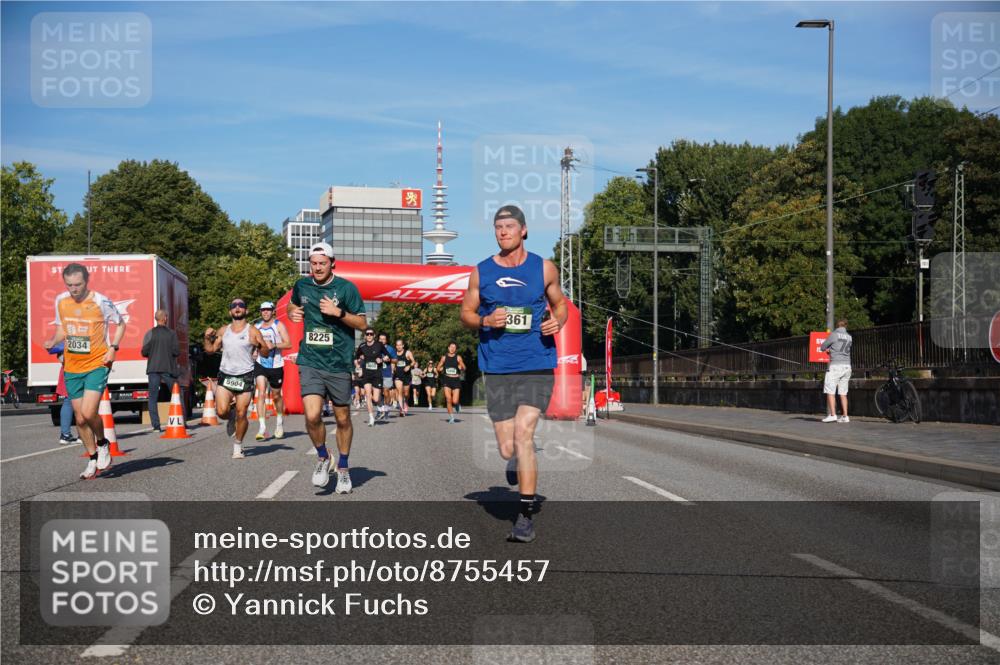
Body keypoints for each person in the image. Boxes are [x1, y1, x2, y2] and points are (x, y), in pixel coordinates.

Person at [460, 204, 567, 543]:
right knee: (508, 448)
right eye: (498, 227)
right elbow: (466, 313)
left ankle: (525, 515)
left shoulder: (543, 267)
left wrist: (558, 320)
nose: (503, 231)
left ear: (523, 230)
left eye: (509, 226)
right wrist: (484, 321)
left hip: (536, 362)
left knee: (523, 435)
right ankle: (516, 460)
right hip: (497, 366)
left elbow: (560, 303)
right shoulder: (482, 272)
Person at [288, 242, 367, 493]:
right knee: (312, 416)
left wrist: (338, 312)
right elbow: (292, 303)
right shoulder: (302, 285)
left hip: (338, 363)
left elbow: (363, 324)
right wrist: (293, 312)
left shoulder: (346, 289)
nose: (318, 267)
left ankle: (343, 468)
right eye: (314, 263)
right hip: (310, 360)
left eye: (323, 263)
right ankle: (323, 457)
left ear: (333, 263)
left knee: (342, 418)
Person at [43, 263, 126, 479]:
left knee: (89, 413)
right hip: (72, 366)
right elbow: (62, 328)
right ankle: (92, 459)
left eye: (78, 284)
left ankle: (103, 443)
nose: (74, 289)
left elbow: (121, 324)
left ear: (86, 281)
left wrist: (113, 348)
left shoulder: (100, 301)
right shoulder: (61, 301)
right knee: (79, 419)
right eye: (69, 285)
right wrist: (53, 340)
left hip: (97, 364)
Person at [203, 298, 266, 459]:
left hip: (245, 375)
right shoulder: (223, 330)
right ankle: (229, 416)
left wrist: (261, 345)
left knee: (242, 413)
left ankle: (238, 445)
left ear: (246, 311)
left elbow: (265, 352)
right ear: (230, 311)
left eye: (241, 306)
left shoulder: (252, 331)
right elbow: (210, 350)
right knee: (222, 411)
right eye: (234, 306)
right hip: (226, 375)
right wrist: (206, 337)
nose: (237, 308)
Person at [253, 301, 291, 440]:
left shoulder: (278, 325)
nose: (265, 312)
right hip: (260, 364)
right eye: (263, 310)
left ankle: (279, 422)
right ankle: (262, 428)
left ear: (273, 311)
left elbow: (288, 343)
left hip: (276, 365)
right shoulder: (256, 327)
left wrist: (273, 344)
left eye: (268, 310)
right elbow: (252, 343)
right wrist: (253, 352)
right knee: (261, 393)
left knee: (276, 396)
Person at [141, 309, 180, 432]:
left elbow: (144, 352)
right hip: (168, 368)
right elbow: (176, 352)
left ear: (156, 319)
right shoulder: (172, 334)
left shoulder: (149, 333)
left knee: (153, 397)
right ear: (165, 318)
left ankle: (156, 426)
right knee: (176, 394)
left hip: (153, 368)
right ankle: (181, 422)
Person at [355, 328, 389, 427]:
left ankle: (380, 405)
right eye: (367, 334)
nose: (369, 336)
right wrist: (358, 367)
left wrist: (382, 359)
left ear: (374, 335)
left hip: (377, 374)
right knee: (368, 395)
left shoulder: (379, 345)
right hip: (366, 374)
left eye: (371, 334)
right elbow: (356, 358)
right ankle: (371, 418)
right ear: (365, 336)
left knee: (375, 398)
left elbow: (388, 356)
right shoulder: (362, 346)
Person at [821, 319, 853, 423]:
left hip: (836, 365)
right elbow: (841, 349)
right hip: (847, 366)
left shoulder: (834, 334)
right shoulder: (849, 337)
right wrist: (833, 350)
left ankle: (833, 414)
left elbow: (823, 347)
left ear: (837, 326)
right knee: (843, 393)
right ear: (845, 326)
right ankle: (845, 416)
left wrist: (828, 350)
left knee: (830, 390)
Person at [49, 342, 82, 445]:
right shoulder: (80, 332)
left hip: (67, 371)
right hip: (79, 370)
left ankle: (65, 435)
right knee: (81, 403)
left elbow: (59, 356)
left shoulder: (63, 337)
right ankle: (82, 435)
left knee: (68, 402)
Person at [436, 342, 466, 424]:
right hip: (446, 380)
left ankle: (457, 405)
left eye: (454, 347)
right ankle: (452, 417)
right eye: (451, 347)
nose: (452, 348)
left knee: (455, 401)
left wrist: (462, 366)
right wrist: (440, 368)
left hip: (456, 380)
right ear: (448, 348)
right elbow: (438, 367)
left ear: (456, 349)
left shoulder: (458, 357)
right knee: (448, 399)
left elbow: (464, 367)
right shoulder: (444, 357)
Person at [393, 339, 416, 417]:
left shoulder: (407, 353)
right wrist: (393, 369)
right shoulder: (394, 354)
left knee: (406, 393)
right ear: (396, 346)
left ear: (403, 345)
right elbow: (392, 363)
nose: (398, 346)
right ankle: (401, 409)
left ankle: (406, 403)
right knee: (399, 391)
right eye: (397, 345)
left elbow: (413, 362)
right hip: (397, 376)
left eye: (400, 345)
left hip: (406, 375)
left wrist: (409, 366)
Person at [377, 332, 396, 420]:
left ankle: (387, 410)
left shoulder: (390, 349)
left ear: (386, 340)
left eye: (383, 339)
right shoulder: (374, 347)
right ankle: (379, 410)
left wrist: (390, 359)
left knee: (386, 392)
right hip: (376, 373)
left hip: (387, 373)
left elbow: (396, 360)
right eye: (380, 339)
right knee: (377, 393)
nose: (381, 340)